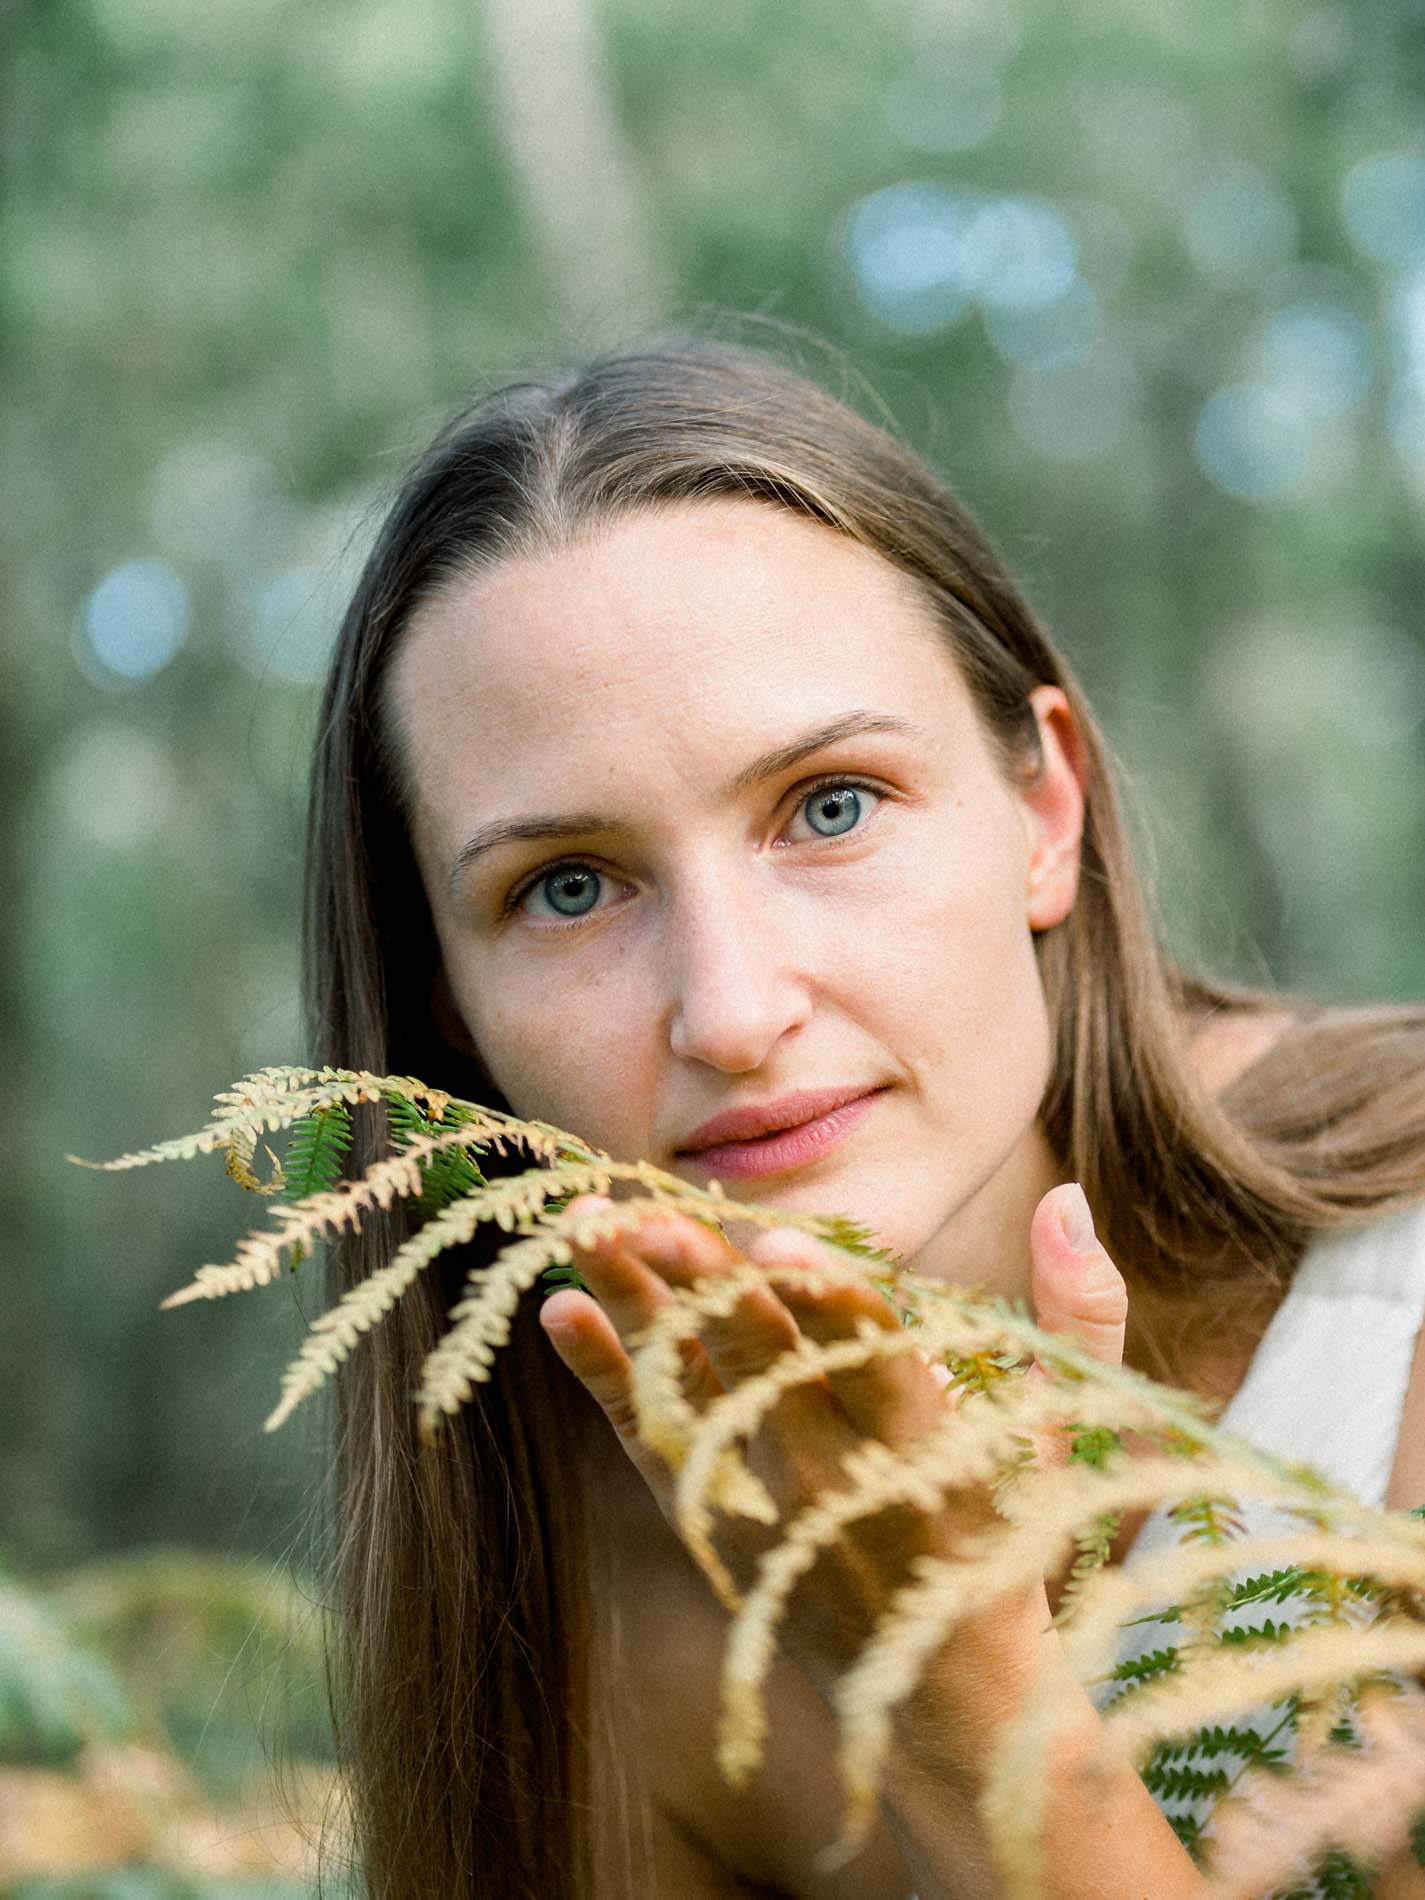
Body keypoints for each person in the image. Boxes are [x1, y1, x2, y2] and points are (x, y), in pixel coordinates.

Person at [304, 336, 1425, 1898]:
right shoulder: (584, 1605)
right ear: (447, 1012)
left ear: (1042, 811)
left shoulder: (1400, 1298)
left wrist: (960, 1704)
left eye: (829, 806)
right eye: (567, 888)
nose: (732, 1010)